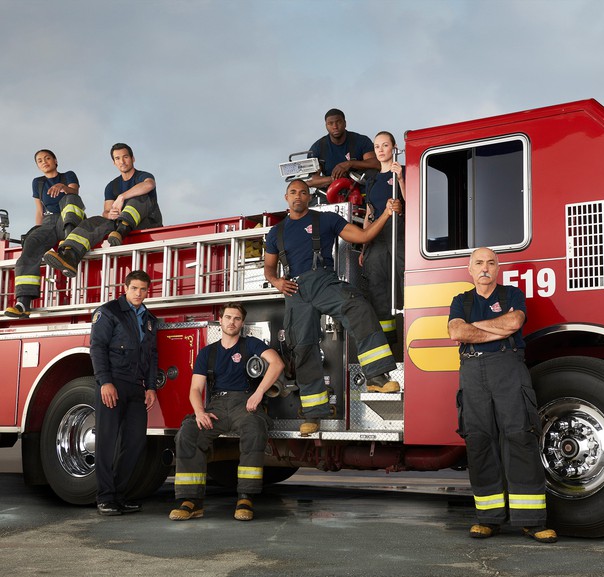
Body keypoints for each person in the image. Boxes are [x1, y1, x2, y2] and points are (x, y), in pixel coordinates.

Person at [263, 179, 402, 436]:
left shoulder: (325, 220)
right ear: (286, 197)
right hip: (295, 291)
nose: (298, 196)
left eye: (303, 192)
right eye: (293, 192)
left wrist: (385, 213)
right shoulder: (276, 232)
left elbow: (363, 236)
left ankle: (376, 377)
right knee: (303, 348)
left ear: (308, 197)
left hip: (324, 281)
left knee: (358, 308)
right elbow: (269, 268)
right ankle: (314, 414)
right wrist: (277, 282)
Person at [448, 247, 557, 543]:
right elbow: (456, 332)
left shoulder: (512, 295)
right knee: (479, 439)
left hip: (508, 367)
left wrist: (477, 330)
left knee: (520, 435)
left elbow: (514, 324)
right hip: (472, 372)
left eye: (491, 263)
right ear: (470, 270)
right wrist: (494, 331)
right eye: (479, 263)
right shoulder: (461, 300)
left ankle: (532, 521)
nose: (485, 268)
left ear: (498, 268)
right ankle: (488, 518)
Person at [169, 302, 283, 522]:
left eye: (237, 318)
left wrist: (259, 393)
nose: (232, 322)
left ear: (242, 322)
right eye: (228, 317)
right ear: (220, 320)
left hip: (245, 403)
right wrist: (200, 412)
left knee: (254, 428)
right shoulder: (207, 353)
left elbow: (277, 364)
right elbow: (195, 389)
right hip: (217, 407)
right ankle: (191, 501)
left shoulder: (251, 344)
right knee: (188, 433)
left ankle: (245, 497)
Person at [90, 270, 158, 516]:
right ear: (125, 288)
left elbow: (151, 356)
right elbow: (97, 347)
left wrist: (151, 387)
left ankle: (119, 495)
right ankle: (105, 497)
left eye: (143, 289)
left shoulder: (149, 319)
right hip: (113, 384)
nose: (139, 293)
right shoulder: (109, 312)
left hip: (136, 387)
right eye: (135, 288)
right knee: (107, 442)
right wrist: (105, 382)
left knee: (135, 441)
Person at [44, 143, 163, 277]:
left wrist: (122, 197)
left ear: (133, 158)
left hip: (147, 222)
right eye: (117, 158)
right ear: (114, 162)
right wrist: (110, 214)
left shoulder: (143, 176)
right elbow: (106, 211)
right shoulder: (111, 186)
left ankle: (122, 230)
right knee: (94, 221)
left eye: (125, 157)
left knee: (138, 197)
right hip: (117, 228)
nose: (122, 161)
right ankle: (70, 256)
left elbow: (149, 184)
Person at [5, 150, 86, 318]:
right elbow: (39, 211)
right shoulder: (38, 182)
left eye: (47, 158)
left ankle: (68, 251)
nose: (44, 162)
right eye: (40, 160)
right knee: (31, 245)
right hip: (49, 223)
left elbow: (74, 194)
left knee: (69, 200)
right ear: (38, 166)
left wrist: (63, 187)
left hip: (71, 218)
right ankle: (23, 303)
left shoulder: (68, 175)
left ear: (55, 160)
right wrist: (38, 231)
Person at [360, 131, 405, 352]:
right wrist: (363, 245)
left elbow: (413, 198)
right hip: (377, 239)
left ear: (394, 147)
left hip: (399, 234)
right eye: (377, 146)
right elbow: (370, 212)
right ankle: (388, 344)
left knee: (405, 281)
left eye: (385, 145)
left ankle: (411, 332)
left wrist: (402, 178)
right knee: (378, 289)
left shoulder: (403, 172)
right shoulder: (371, 180)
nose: (380, 149)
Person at [306, 108, 379, 191]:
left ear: (345, 123)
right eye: (330, 123)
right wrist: (336, 179)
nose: (335, 127)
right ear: (326, 126)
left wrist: (349, 164)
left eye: (338, 122)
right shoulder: (318, 148)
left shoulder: (361, 140)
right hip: (330, 192)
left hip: (361, 190)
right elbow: (312, 181)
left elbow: (376, 164)